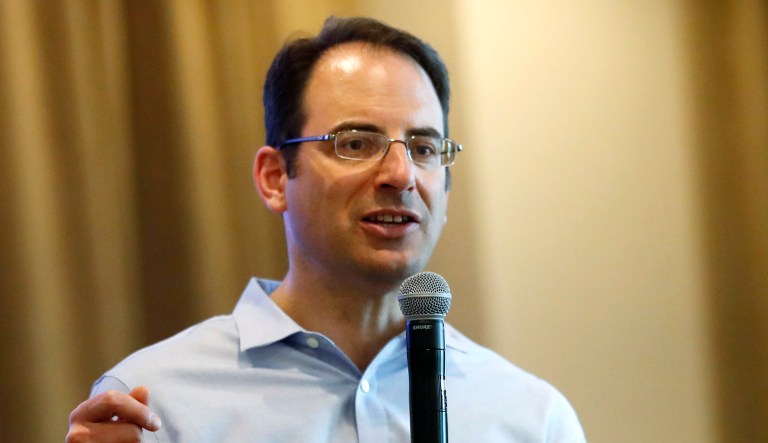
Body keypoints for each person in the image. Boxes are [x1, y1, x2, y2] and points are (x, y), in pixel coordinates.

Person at [67, 16, 587, 442]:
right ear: (275, 179)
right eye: (357, 142)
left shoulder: (532, 419)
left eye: (425, 149)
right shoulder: (154, 405)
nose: (401, 175)